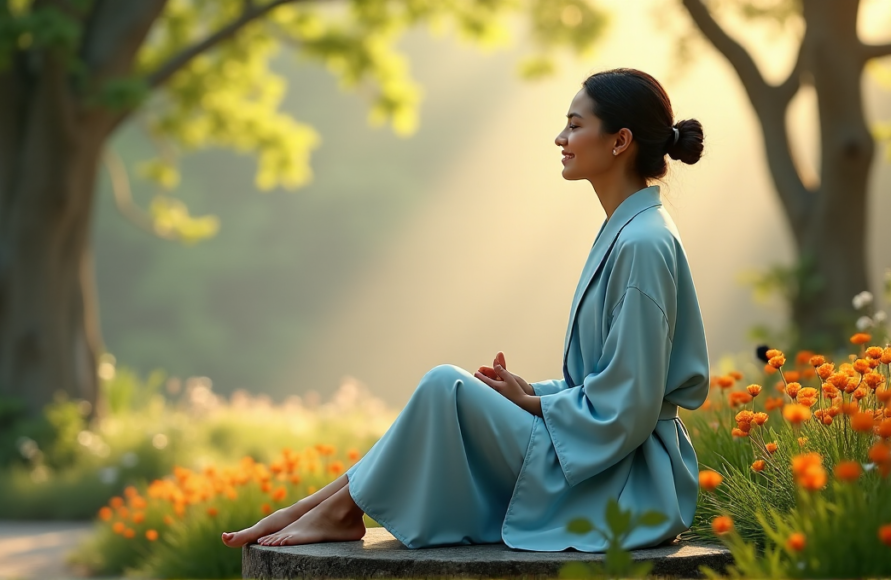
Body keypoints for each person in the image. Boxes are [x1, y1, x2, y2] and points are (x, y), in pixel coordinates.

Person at [221, 67, 710, 551]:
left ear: (620, 141)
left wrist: (535, 405)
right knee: (452, 390)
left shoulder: (643, 242)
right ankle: (323, 507)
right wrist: (528, 392)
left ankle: (333, 509)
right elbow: (608, 382)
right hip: (601, 454)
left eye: (576, 125)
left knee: (445, 386)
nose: (561, 137)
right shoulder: (632, 231)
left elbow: (630, 403)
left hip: (628, 481)